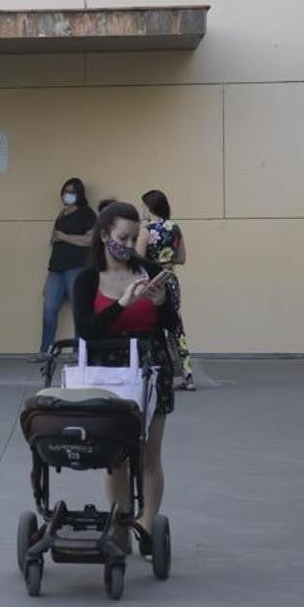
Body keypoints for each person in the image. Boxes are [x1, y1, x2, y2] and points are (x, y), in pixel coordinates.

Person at [71, 201, 180, 555]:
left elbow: (170, 325)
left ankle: (147, 526)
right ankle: (119, 524)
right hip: (108, 366)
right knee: (114, 455)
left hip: (150, 364)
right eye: (124, 237)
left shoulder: (148, 269)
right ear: (104, 236)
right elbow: (85, 330)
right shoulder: (88, 278)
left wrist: (162, 302)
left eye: (136, 238)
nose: (131, 245)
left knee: (149, 454)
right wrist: (121, 304)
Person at [135, 189, 195, 391]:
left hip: (153, 282)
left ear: (148, 207)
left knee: (153, 325)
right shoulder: (175, 228)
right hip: (171, 280)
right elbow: (182, 258)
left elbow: (138, 259)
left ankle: (156, 369)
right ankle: (187, 374)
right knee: (175, 325)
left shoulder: (146, 231)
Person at [35, 178, 96, 362]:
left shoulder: (86, 213)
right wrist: (56, 239)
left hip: (76, 267)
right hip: (56, 268)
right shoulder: (62, 213)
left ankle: (79, 351)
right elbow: (55, 238)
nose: (67, 194)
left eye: (72, 191)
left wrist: (65, 237)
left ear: (79, 194)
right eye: (66, 191)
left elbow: (90, 240)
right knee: (49, 308)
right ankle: (46, 350)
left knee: (79, 309)